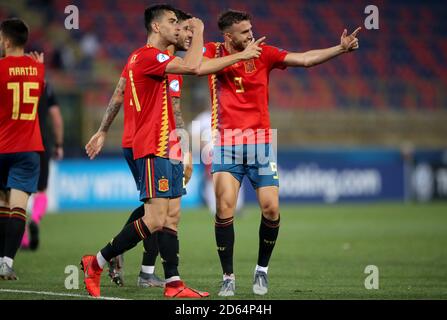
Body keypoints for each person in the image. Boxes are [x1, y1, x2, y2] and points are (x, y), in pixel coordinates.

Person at [201, 9, 360, 296]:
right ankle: (228, 277)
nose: (251, 35)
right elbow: (197, 67)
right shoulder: (212, 51)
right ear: (228, 36)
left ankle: (261, 269)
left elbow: (305, 59)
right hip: (227, 141)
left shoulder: (264, 53)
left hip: (261, 142)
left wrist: (340, 48)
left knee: (271, 208)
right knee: (225, 208)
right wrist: (239, 56)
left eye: (251, 29)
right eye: (244, 31)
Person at [80, 4, 212, 298]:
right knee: (155, 215)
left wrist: (184, 148)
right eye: (174, 23)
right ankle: (100, 261)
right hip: (148, 143)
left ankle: (172, 282)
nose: (180, 29)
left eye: (182, 25)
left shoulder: (165, 63)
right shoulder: (148, 58)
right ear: (156, 26)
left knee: (169, 214)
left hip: (167, 144)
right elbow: (194, 68)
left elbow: (173, 106)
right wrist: (103, 130)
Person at [0, 18, 45, 280]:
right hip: (28, 148)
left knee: (2, 206)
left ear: (6, 41)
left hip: (3, 145)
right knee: (18, 208)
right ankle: (7, 263)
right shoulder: (37, 70)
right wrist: (37, 68)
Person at [21, 80, 64, 251]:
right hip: (41, 143)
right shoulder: (45, 84)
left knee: (15, 192)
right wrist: (59, 144)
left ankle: (22, 239)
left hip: (15, 143)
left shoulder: (7, 77)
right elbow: (56, 117)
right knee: (42, 190)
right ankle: (36, 219)